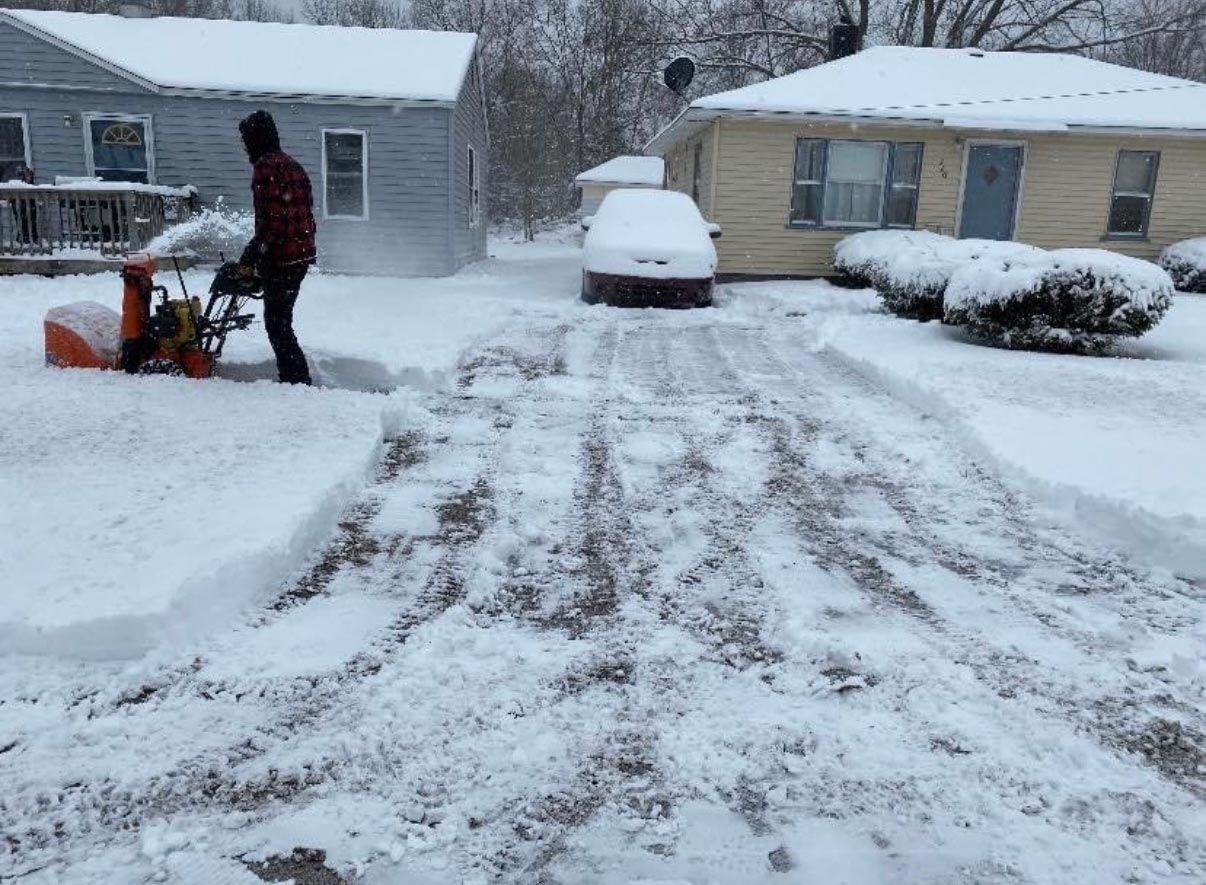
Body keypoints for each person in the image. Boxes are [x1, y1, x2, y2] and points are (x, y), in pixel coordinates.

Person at [237, 110, 317, 385]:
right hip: (301, 255)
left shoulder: (265, 167)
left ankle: (296, 382)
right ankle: (296, 379)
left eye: (246, 139)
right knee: (282, 321)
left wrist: (254, 252)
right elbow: (306, 214)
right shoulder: (293, 165)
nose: (244, 145)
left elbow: (270, 221)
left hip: (282, 259)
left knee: (277, 324)